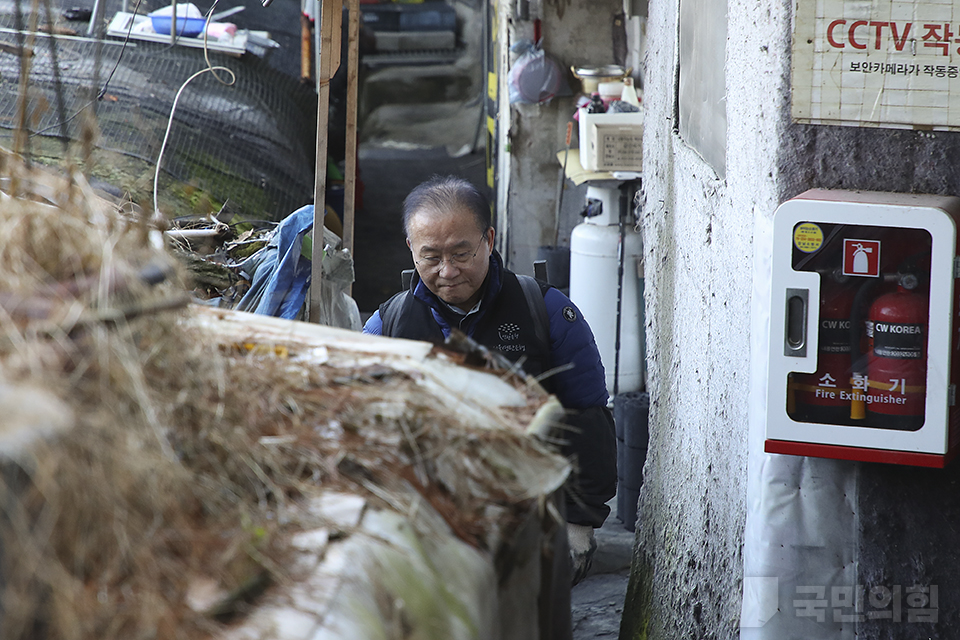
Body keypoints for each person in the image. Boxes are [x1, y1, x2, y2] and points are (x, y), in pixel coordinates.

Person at [362, 175, 617, 585]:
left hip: (530, 513)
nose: (448, 271)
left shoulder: (545, 312)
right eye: (431, 257)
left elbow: (588, 422)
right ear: (411, 249)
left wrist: (579, 525)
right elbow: (357, 417)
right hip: (428, 515)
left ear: (490, 240)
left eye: (462, 253)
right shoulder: (388, 324)